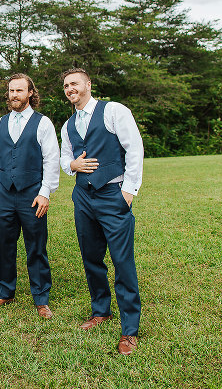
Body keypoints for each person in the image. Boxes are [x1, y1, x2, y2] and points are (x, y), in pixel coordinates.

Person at [59, 68, 144, 355]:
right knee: (91, 257)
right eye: (66, 86)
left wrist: (129, 190)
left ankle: (129, 329)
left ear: (88, 85)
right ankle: (101, 310)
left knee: (122, 261)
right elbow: (63, 156)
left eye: (75, 84)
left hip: (112, 194)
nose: (70, 89)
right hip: (82, 196)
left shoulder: (113, 111)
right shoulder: (68, 125)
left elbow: (134, 148)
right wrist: (72, 166)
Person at [0, 73, 60, 318]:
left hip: (32, 195)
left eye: (19, 90)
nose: (14, 95)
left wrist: (45, 193)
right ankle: (4, 292)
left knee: (36, 246)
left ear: (30, 93)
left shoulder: (43, 123)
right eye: (11, 91)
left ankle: (41, 296)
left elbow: (51, 160)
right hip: (4, 193)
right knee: (4, 245)